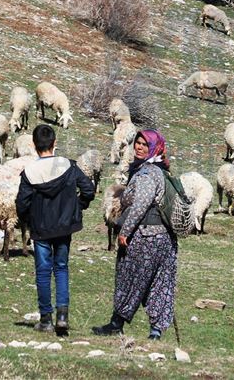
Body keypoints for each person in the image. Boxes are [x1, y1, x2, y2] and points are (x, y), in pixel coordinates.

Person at [92, 129, 177, 340]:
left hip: (145, 237)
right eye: (137, 143)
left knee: (128, 277)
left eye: (144, 145)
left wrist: (125, 231)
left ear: (154, 148)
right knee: (159, 283)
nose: (139, 147)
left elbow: (141, 204)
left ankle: (116, 324)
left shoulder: (148, 173)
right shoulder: (162, 172)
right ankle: (156, 331)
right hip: (165, 239)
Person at [16, 124, 95, 336]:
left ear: (34, 145)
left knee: (43, 271)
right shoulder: (69, 166)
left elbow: (22, 203)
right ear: (55, 143)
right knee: (61, 267)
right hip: (64, 226)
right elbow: (88, 189)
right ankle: (62, 316)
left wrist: (27, 221)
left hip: (41, 227)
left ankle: (45, 319)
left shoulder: (30, 173)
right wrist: (78, 205)